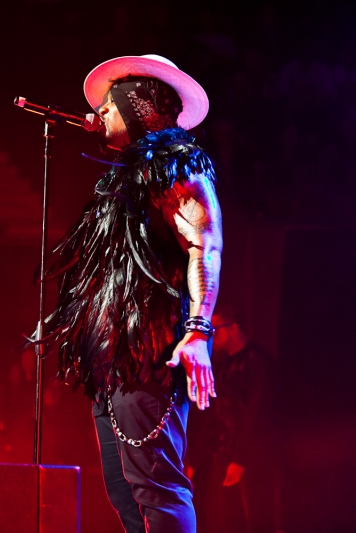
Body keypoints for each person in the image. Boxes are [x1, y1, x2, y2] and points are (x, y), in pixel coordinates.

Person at [30, 55, 222, 533]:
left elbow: (205, 242)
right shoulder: (122, 179)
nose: (100, 117)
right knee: (123, 490)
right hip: (114, 353)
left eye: (110, 108)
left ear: (137, 106)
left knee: (154, 486)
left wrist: (198, 330)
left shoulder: (177, 163)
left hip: (150, 351)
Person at [186, 307, 278, 533]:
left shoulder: (258, 362)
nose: (210, 338)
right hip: (225, 457)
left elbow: (258, 415)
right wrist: (192, 461)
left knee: (256, 520)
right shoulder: (224, 366)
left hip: (253, 460)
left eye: (213, 330)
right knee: (227, 522)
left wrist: (240, 460)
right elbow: (216, 417)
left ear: (233, 328)